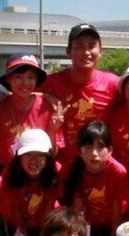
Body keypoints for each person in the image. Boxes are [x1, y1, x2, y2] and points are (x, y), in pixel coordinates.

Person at [41, 23, 120, 163]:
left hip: (98, 164)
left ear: (101, 51)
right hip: (63, 164)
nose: (86, 52)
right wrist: (44, 96)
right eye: (79, 46)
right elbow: (21, 94)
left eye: (91, 46)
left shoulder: (112, 83)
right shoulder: (51, 82)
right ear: (68, 51)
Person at [59, 120, 128, 236]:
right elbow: (76, 207)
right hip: (82, 225)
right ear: (79, 151)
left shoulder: (118, 172)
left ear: (110, 150)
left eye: (100, 147)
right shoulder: (71, 169)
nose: (94, 153)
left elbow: (117, 210)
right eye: (88, 148)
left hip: (109, 227)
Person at [0, 128, 62, 236]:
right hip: (17, 225)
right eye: (28, 154)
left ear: (47, 157)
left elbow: (49, 210)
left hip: (44, 223)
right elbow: (15, 213)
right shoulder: (10, 174)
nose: (33, 160)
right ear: (19, 156)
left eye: (39, 155)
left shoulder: (55, 172)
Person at [0, 53, 57, 165]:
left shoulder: (46, 109)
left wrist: (53, 130)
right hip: (9, 171)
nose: (25, 83)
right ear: (9, 79)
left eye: (31, 77)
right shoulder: (0, 109)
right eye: (19, 77)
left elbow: (52, 153)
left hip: (39, 171)